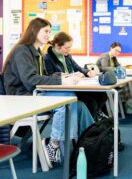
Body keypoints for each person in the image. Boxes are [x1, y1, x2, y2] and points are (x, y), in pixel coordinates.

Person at [2, 17, 94, 168]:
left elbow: (42, 75)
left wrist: (62, 76)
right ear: (34, 30)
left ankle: (89, 144)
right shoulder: (22, 50)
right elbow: (30, 80)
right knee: (67, 100)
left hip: (33, 94)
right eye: (45, 31)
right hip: (22, 98)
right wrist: (61, 82)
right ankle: (53, 144)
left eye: (50, 32)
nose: (48, 35)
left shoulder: (36, 52)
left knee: (79, 105)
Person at [43, 31, 108, 120]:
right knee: (90, 102)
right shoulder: (47, 58)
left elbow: (76, 67)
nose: (69, 50)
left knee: (102, 95)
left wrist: (87, 72)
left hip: (73, 85)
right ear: (57, 46)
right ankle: (89, 127)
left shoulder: (66, 55)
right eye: (67, 48)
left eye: (70, 47)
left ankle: (94, 118)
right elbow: (48, 75)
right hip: (63, 90)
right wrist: (64, 75)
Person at [96, 42, 132, 112]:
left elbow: (118, 66)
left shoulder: (114, 58)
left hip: (110, 78)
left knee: (126, 84)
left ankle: (125, 103)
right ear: (111, 48)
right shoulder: (105, 56)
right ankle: (124, 105)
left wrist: (122, 68)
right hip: (103, 80)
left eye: (119, 52)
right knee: (122, 86)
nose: (117, 53)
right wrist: (115, 69)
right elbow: (104, 68)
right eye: (116, 50)